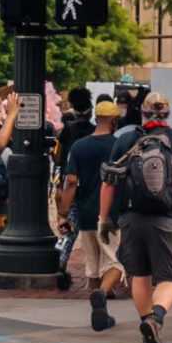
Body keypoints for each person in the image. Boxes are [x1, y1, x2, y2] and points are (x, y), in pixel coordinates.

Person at [97, 94, 172, 343]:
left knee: (140, 275)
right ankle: (156, 319)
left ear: (143, 113)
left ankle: (146, 321)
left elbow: (108, 182)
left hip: (131, 218)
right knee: (170, 278)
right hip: (167, 218)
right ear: (168, 115)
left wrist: (104, 218)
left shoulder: (126, 140)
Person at [56, 97, 126, 331]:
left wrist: (63, 214)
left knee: (93, 266)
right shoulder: (119, 146)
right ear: (114, 120)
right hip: (110, 214)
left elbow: (71, 182)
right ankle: (103, 294)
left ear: (97, 118)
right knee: (116, 264)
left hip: (86, 213)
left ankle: (100, 310)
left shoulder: (79, 146)